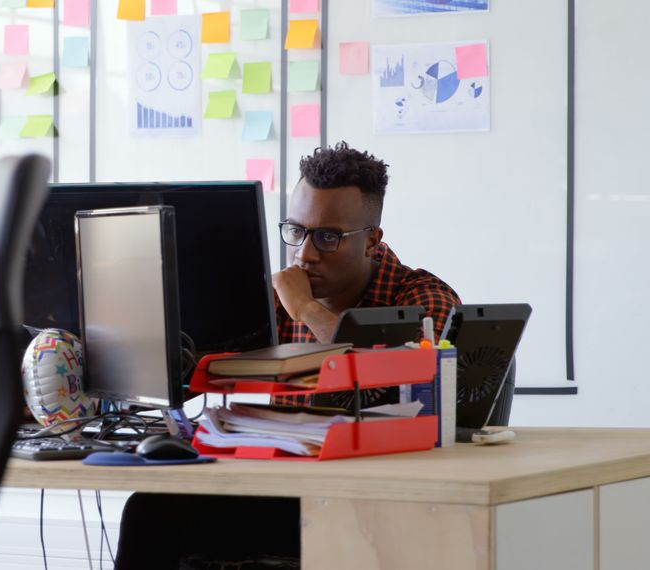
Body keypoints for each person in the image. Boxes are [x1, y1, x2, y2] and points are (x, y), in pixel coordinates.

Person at [113, 142, 460, 569]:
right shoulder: (275, 297)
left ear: (372, 241)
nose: (305, 254)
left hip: (386, 500)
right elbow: (193, 362)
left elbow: (394, 375)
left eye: (328, 237)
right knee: (151, 511)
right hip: (289, 492)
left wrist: (307, 311)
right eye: (296, 231)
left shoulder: (424, 297)